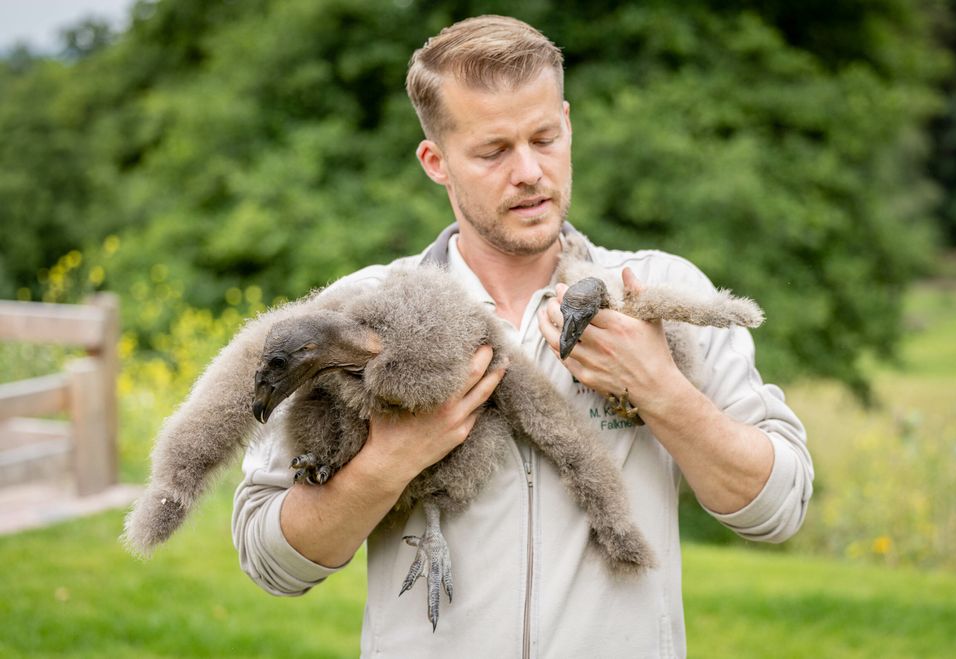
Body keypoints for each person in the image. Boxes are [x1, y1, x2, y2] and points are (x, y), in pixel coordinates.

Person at [233, 15, 812, 658]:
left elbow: (777, 508)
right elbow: (271, 560)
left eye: (546, 137)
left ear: (567, 123)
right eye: (493, 151)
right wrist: (390, 459)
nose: (530, 171)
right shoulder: (354, 319)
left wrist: (660, 389)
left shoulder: (656, 291)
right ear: (436, 161)